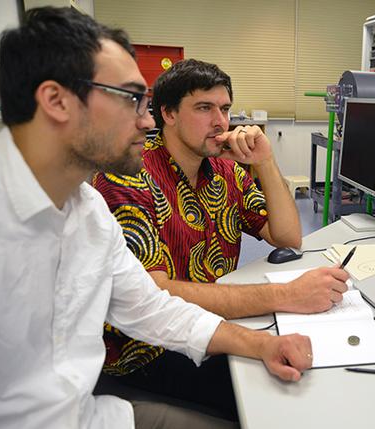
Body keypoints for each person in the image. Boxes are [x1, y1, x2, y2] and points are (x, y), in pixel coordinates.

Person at [0, 7, 317, 429]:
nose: (144, 119)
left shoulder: (87, 212)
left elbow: (153, 308)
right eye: (130, 99)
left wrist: (261, 344)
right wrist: (283, 300)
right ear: (56, 101)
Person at [91, 59, 349, 415]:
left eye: (225, 109)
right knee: (288, 400)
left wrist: (265, 161)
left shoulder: (225, 171)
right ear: (168, 113)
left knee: (319, 366)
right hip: (149, 348)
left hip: (214, 325)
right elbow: (154, 294)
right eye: (204, 108)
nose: (221, 122)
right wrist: (287, 295)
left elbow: (288, 237)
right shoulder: (127, 177)